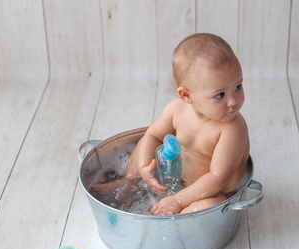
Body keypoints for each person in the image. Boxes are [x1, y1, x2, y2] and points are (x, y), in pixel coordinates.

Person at [97, 33, 250, 215]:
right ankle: (129, 183)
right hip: (172, 179)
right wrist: (145, 168)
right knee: (142, 145)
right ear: (186, 95)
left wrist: (178, 200)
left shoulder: (232, 129)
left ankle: (182, 217)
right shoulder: (176, 110)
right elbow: (152, 136)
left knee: (210, 207)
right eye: (220, 95)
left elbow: (218, 178)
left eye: (238, 87)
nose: (233, 101)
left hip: (210, 192)